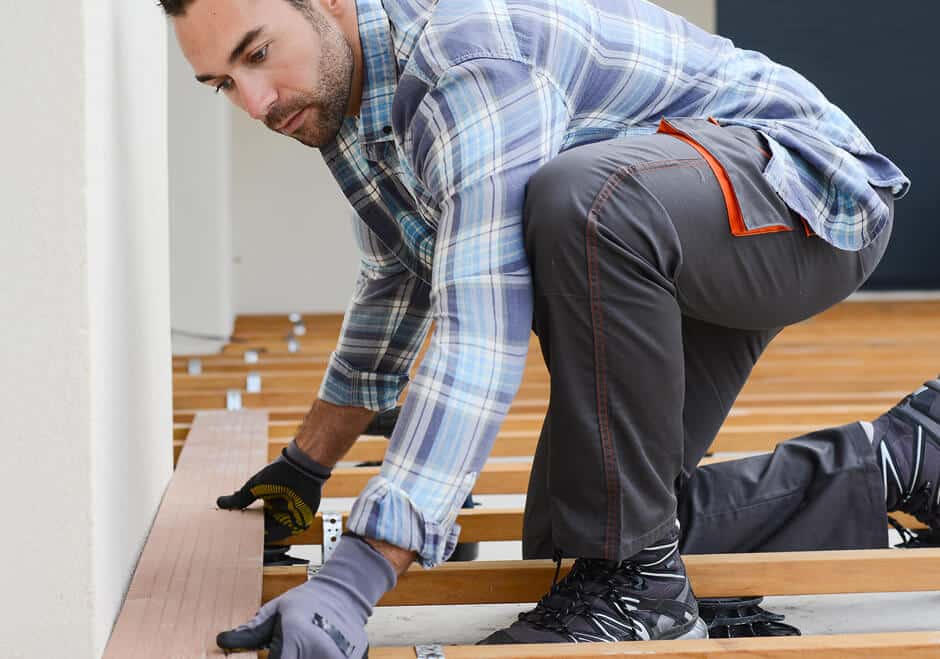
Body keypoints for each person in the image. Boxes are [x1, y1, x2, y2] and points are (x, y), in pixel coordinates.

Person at [163, 0, 930, 655]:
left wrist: (360, 569)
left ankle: (642, 595)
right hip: (667, 240)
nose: (256, 102)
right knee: (584, 534)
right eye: (223, 84)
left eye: (258, 54)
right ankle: (908, 455)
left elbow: (481, 323)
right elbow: (400, 277)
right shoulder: (348, 105)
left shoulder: (462, 62)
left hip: (802, 190)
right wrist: (307, 462)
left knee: (581, 198)